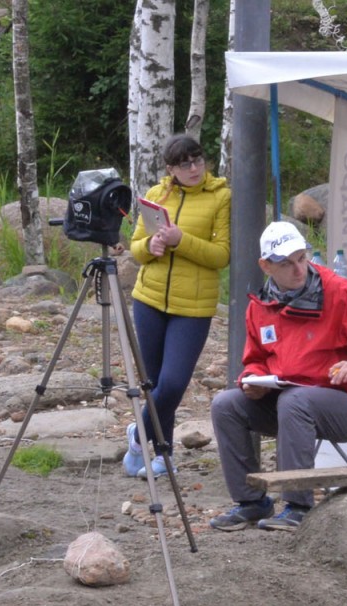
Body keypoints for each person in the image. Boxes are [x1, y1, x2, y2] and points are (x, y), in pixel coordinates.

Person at [209, 222, 347, 532]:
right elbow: (256, 359)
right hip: (287, 405)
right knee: (225, 405)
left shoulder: (339, 291)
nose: (299, 269)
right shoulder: (259, 306)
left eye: (302, 258)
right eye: (287, 263)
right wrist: (253, 380)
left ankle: (298, 506)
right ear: (266, 266)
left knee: (295, 400)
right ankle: (251, 502)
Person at [123, 134, 230, 478]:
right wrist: (150, 246)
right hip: (149, 299)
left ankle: (138, 435)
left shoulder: (221, 197)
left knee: (172, 383)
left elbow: (221, 255)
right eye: (185, 164)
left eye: (198, 160)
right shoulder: (156, 195)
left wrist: (180, 240)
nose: (195, 168)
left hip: (193, 307)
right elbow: (136, 246)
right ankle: (162, 456)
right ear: (171, 169)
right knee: (154, 384)